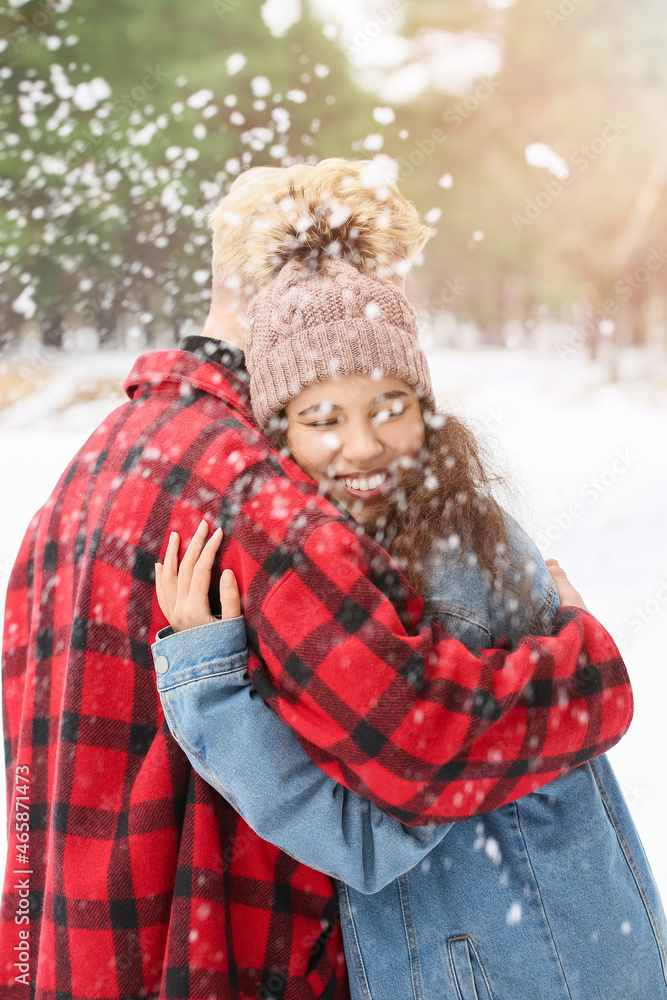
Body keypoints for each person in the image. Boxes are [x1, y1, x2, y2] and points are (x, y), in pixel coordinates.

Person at [0, 160, 632, 1000]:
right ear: (307, 286)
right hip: (212, 960)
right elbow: (414, 743)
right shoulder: (258, 491)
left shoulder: (99, 460)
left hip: (64, 952)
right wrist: (581, 673)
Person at [153, 256, 667, 999]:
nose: (361, 446)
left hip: (520, 965)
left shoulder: (436, 573)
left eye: (387, 406)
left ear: (423, 407)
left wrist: (212, 691)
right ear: (280, 435)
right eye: (323, 419)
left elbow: (366, 840)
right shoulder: (373, 548)